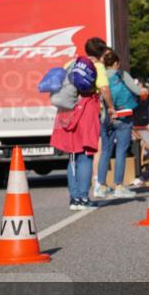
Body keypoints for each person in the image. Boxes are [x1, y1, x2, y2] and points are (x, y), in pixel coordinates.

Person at [51, 41, 109, 210]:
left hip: (68, 112)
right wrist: (111, 108)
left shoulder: (71, 63)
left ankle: (74, 198)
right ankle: (84, 198)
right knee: (86, 155)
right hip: (87, 111)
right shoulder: (97, 67)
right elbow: (104, 89)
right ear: (102, 53)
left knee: (73, 156)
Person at [95, 51, 141, 199]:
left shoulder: (100, 76)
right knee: (121, 151)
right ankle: (118, 186)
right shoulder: (121, 74)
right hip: (123, 117)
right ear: (116, 63)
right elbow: (137, 91)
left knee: (105, 152)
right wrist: (142, 88)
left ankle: (101, 186)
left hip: (106, 118)